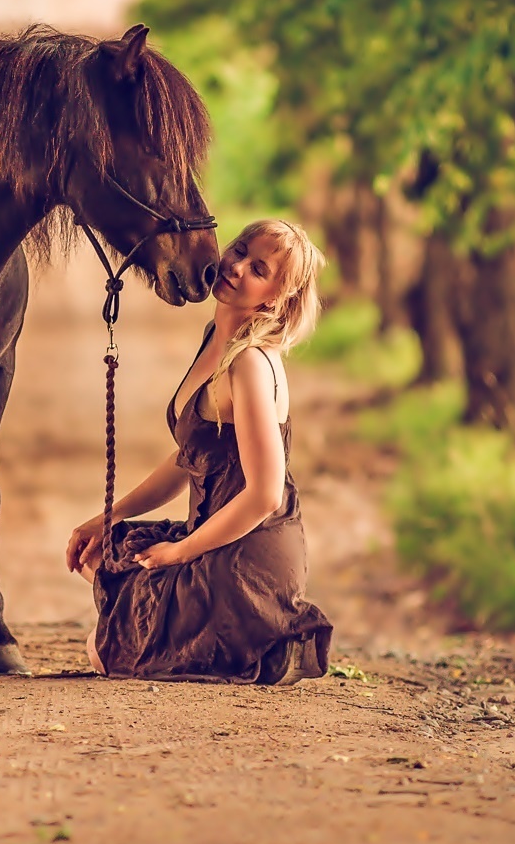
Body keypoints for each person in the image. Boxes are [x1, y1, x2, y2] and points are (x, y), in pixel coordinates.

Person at [66, 218, 335, 683]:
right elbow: (188, 459)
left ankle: (240, 631)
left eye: (259, 269)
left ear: (275, 298)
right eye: (240, 250)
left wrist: (181, 552)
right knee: (99, 552)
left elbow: (266, 495)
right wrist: (108, 516)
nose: (236, 267)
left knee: (102, 650)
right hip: (210, 531)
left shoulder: (249, 363)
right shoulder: (217, 341)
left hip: (245, 560)